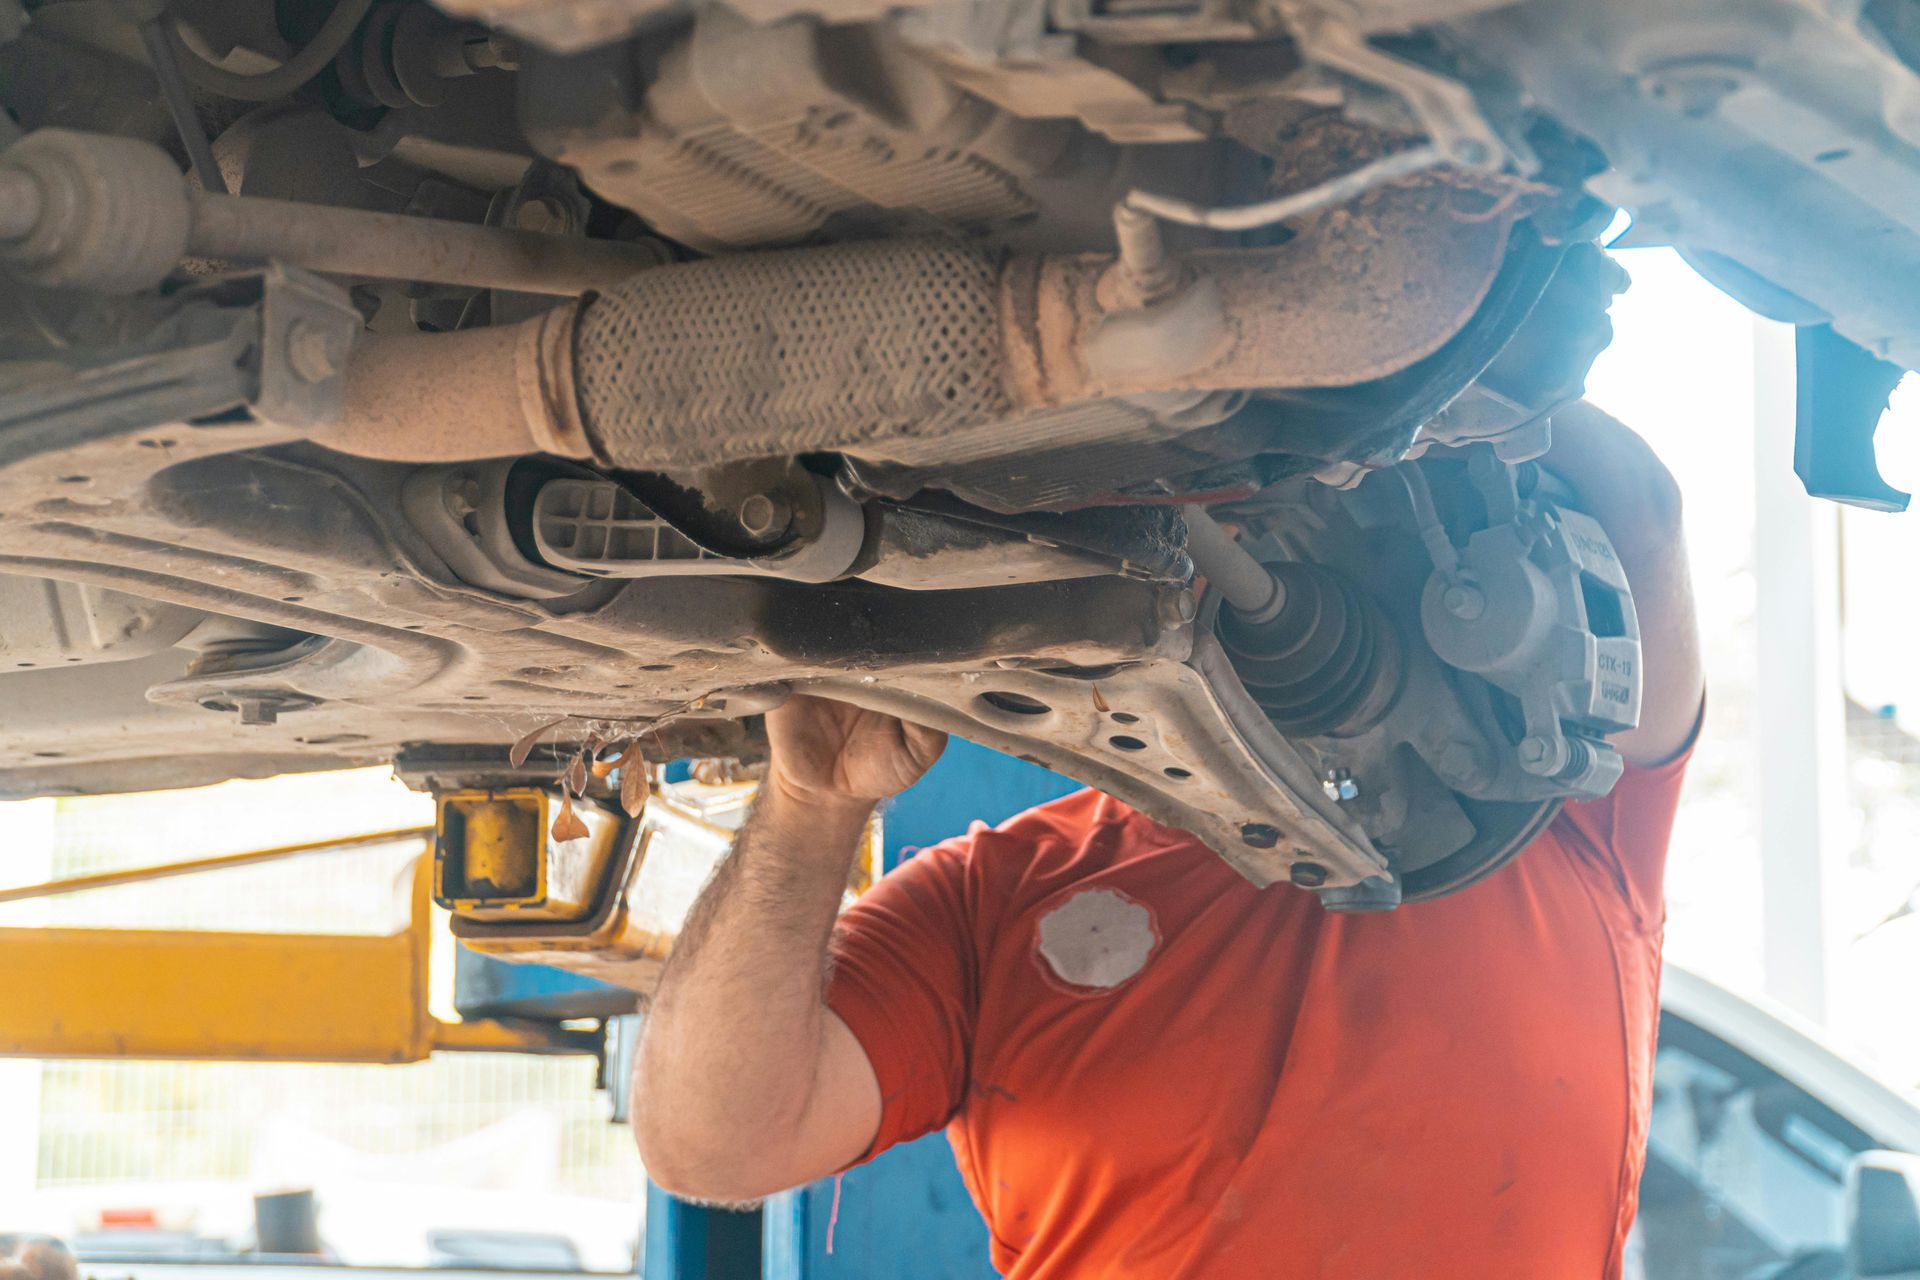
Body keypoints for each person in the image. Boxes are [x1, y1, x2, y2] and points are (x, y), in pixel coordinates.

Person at [633, 402, 1703, 1279]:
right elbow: (713, 1141)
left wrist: (1385, 384)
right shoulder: (992, 899)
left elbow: (1641, 512)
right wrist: (809, 804)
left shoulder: (1555, 804)